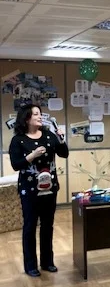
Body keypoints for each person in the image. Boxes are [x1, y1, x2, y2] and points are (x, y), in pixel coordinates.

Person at [9, 104, 69, 277]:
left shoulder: (49, 135)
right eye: (36, 114)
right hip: (29, 190)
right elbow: (16, 165)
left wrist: (61, 139)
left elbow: (64, 154)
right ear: (26, 118)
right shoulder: (18, 140)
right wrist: (32, 155)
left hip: (50, 188)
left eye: (40, 114)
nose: (40, 117)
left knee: (47, 225)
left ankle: (47, 262)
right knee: (30, 226)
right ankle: (30, 265)